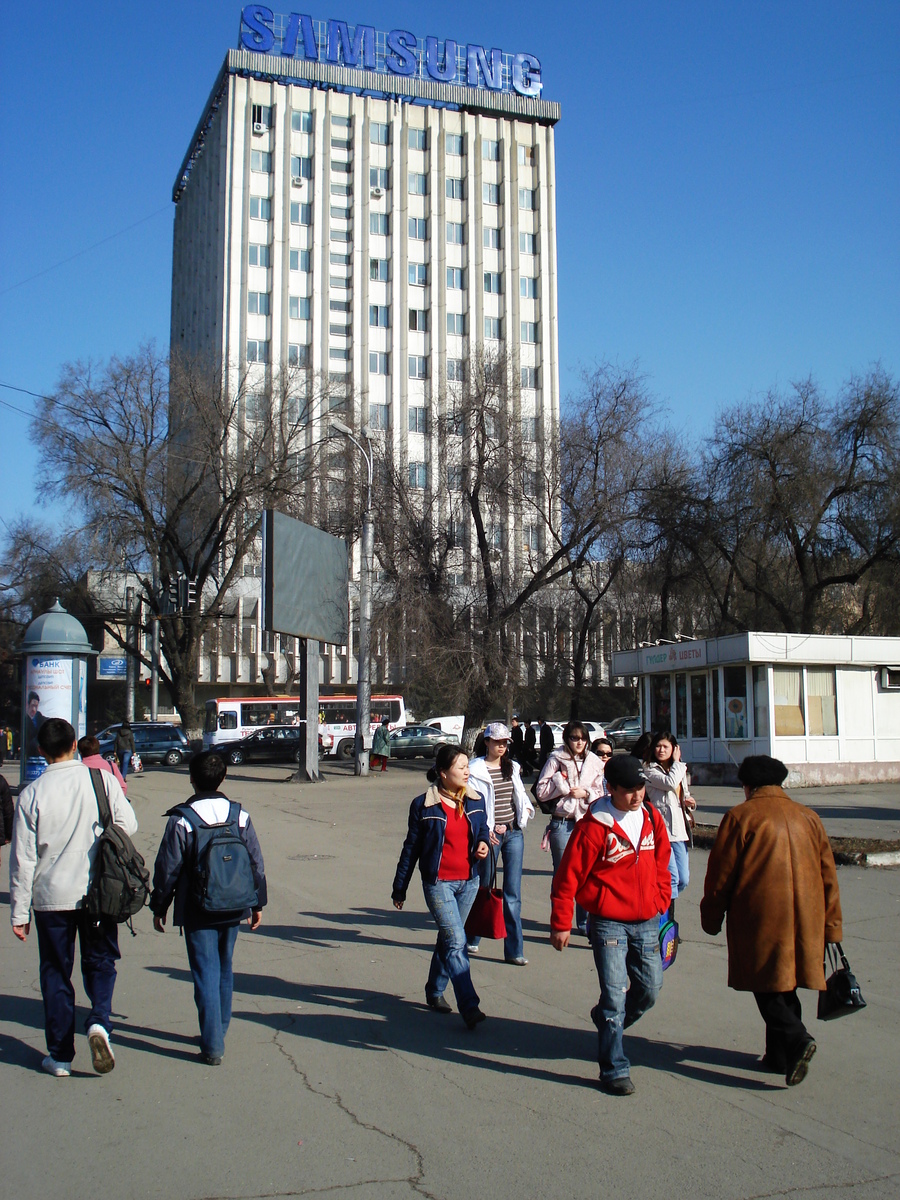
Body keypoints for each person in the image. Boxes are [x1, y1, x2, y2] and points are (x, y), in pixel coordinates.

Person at [700, 755, 843, 1087]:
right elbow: (828, 876)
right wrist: (832, 924)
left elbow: (721, 875)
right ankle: (779, 1056)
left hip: (760, 916)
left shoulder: (741, 817)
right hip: (807, 915)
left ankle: (797, 1038)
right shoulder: (809, 817)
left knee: (765, 984)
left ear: (747, 786)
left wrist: (712, 916)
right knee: (785, 980)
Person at [8, 717, 138, 1077]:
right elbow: (129, 824)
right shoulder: (101, 779)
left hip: (51, 898)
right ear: (74, 744)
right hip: (98, 891)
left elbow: (24, 858)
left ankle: (61, 1055)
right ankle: (99, 1021)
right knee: (100, 962)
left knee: (55, 972)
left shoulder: (32, 793)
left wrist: (20, 913)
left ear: (41, 751)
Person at [551, 753, 671, 1095]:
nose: (638, 796)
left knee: (649, 989)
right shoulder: (594, 826)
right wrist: (561, 923)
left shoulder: (650, 817)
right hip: (608, 925)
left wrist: (661, 899)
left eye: (641, 788)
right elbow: (567, 878)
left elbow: (663, 863)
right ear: (612, 788)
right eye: (630, 790)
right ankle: (614, 1068)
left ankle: (607, 1022)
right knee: (615, 994)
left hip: (648, 919)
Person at [150, 751, 267, 1065]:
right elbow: (256, 862)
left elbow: (168, 868)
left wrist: (158, 905)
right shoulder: (239, 815)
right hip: (234, 905)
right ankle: (220, 1029)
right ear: (224, 777)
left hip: (197, 907)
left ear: (191, 778)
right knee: (224, 967)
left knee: (205, 972)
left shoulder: (182, 819)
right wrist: (257, 903)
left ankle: (212, 1043)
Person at [391, 745, 490, 1028]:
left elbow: (482, 828)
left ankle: (434, 991)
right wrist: (400, 887)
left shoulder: (476, 799)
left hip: (469, 882)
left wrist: (482, 842)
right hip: (439, 884)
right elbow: (411, 848)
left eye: (468, 766)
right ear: (444, 773)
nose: (467, 771)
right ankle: (469, 1005)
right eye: (461, 767)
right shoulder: (424, 805)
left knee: (448, 939)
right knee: (457, 942)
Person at [467, 722, 535, 965]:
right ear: (486, 742)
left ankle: (514, 950)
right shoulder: (475, 769)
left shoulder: (512, 767)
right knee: (484, 887)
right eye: (497, 742)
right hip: (490, 836)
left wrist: (522, 818)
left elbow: (522, 798)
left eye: (505, 742)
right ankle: (472, 936)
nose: (501, 746)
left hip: (513, 834)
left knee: (512, 893)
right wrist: (485, 831)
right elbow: (473, 805)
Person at [535, 721, 608, 935]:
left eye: (583, 738)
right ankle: (560, 920)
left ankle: (585, 922)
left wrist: (585, 794)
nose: (579, 742)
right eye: (575, 738)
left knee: (587, 872)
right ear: (567, 738)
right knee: (563, 874)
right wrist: (561, 783)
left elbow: (602, 791)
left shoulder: (594, 761)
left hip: (587, 822)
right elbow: (541, 791)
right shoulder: (556, 759)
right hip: (562, 823)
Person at [642, 731, 696, 905]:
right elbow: (669, 783)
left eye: (665, 746)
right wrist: (679, 763)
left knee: (683, 879)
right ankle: (666, 918)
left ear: (674, 748)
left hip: (679, 830)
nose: (661, 750)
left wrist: (690, 802)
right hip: (662, 828)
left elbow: (683, 793)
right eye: (658, 746)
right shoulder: (649, 769)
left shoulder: (678, 770)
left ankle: (657, 902)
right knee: (671, 877)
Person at [25, 691, 46, 756]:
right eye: (32, 706)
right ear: (27, 705)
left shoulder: (41, 718)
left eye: (36, 706)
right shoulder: (25, 720)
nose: (34, 709)